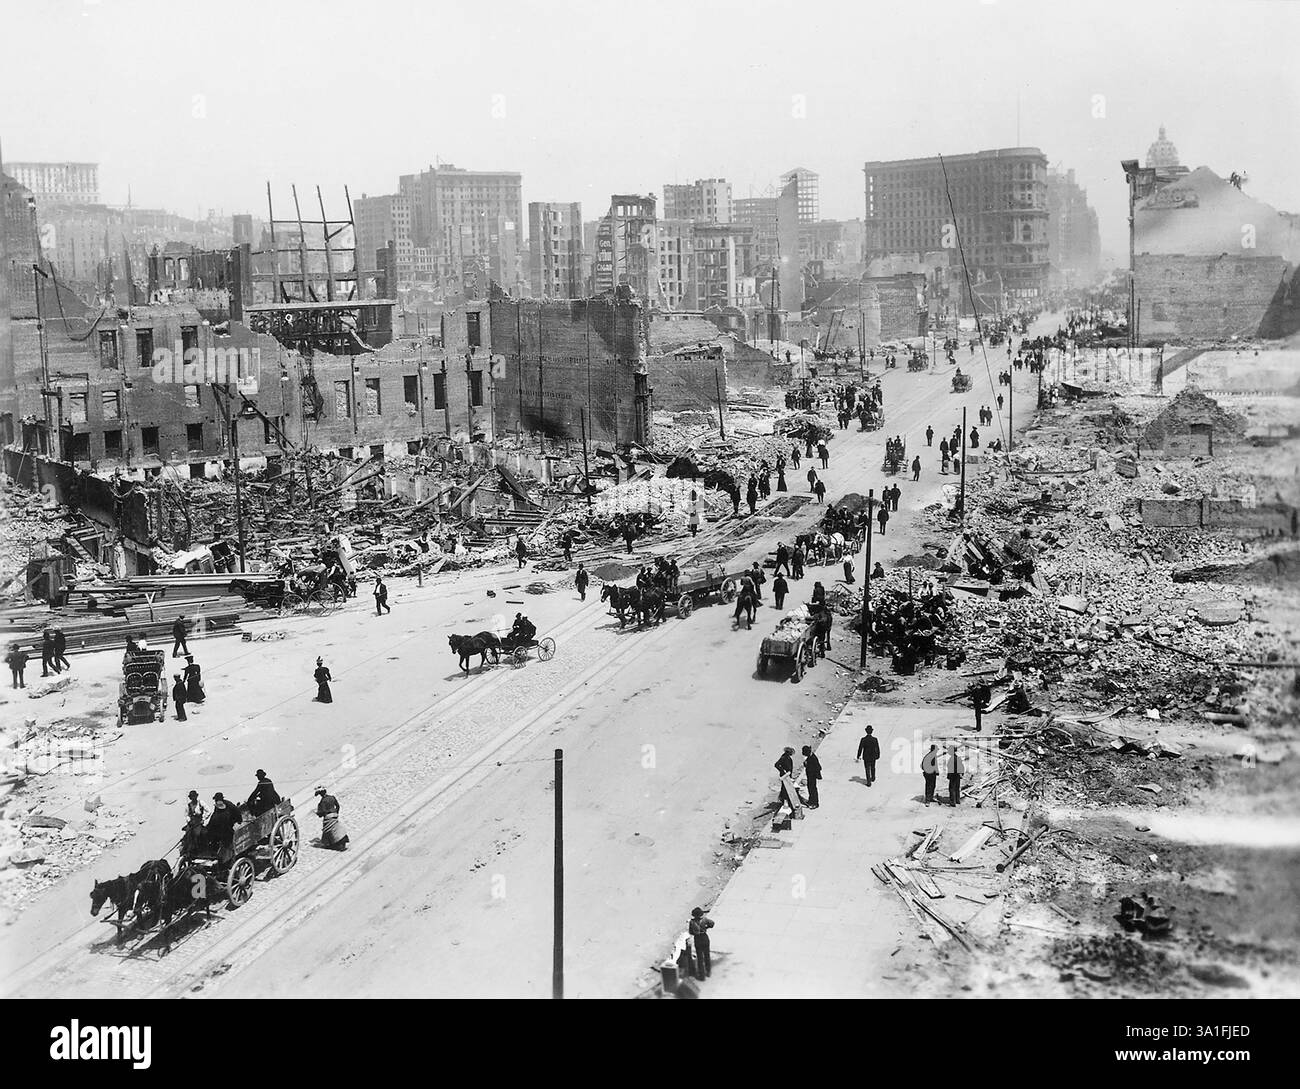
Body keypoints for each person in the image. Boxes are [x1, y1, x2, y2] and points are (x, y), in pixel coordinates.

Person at [689, 907, 714, 979]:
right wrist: (706, 927)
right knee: (707, 956)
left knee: (700, 958)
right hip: (705, 937)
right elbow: (712, 924)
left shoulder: (692, 922)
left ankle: (702, 975)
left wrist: (696, 932)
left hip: (697, 939)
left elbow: (691, 932)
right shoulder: (704, 920)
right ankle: (708, 971)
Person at [774, 746, 798, 818]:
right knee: (786, 789)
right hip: (786, 776)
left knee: (784, 788)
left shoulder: (783, 757)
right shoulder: (786, 758)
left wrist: (782, 771)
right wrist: (783, 771)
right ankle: (785, 802)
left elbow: (777, 765)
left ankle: (783, 799)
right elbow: (778, 765)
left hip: (785, 775)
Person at [801, 745, 822, 809]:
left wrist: (809, 767)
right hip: (810, 776)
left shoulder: (813, 758)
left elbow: (818, 767)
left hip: (812, 776)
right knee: (810, 788)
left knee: (813, 789)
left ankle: (815, 803)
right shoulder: (810, 757)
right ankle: (811, 801)